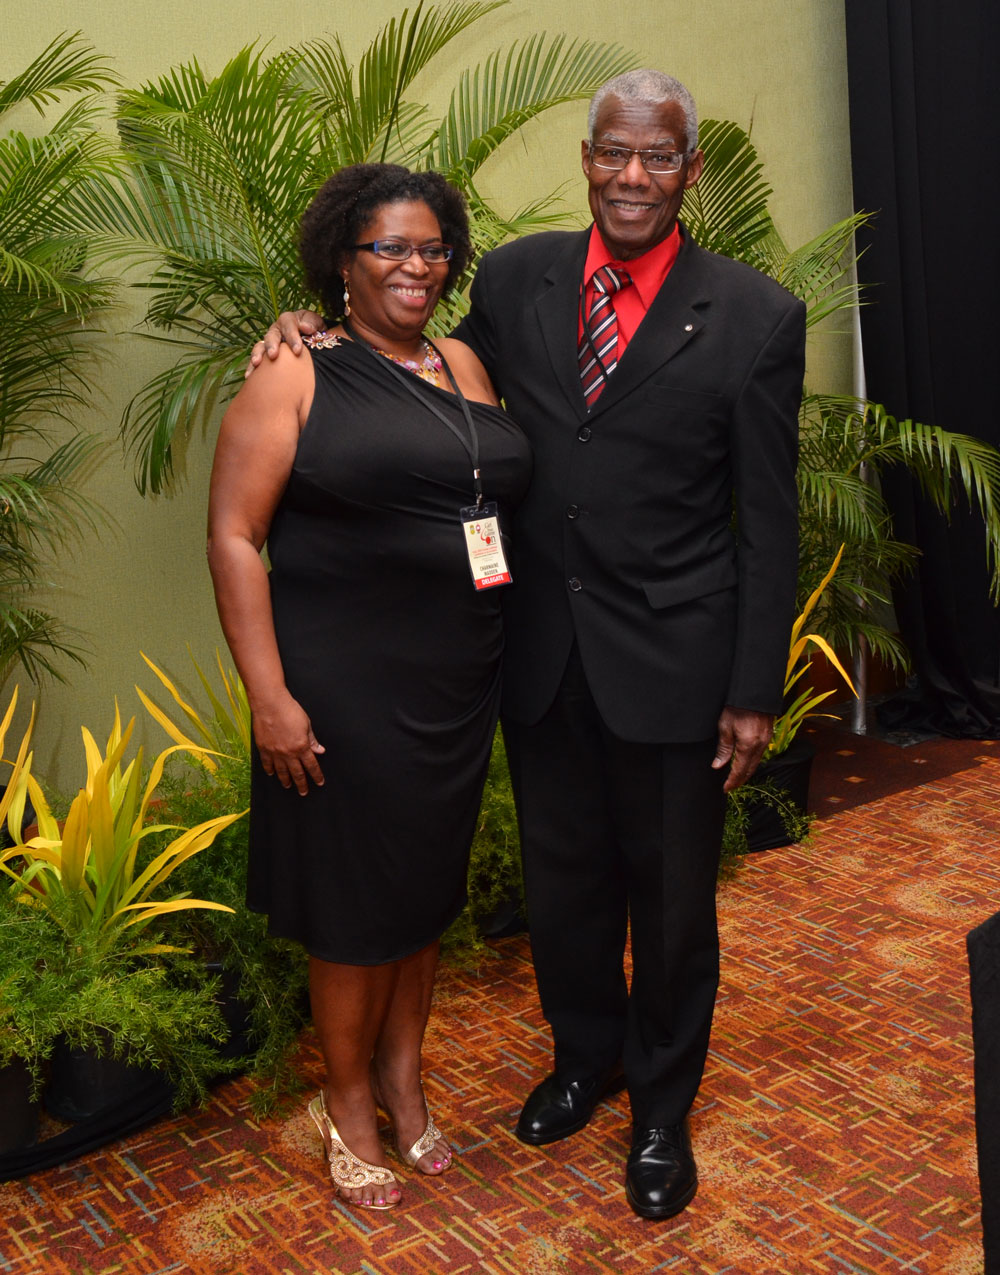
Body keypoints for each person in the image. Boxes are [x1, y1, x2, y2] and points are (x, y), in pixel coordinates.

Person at [252, 68, 805, 1220]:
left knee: (671, 905)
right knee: (564, 890)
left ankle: (661, 1111)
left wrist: (754, 687)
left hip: (675, 663)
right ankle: (584, 1060)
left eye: (657, 156)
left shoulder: (754, 316)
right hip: (537, 654)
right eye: (613, 152)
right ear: (587, 159)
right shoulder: (514, 278)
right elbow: (409, 368)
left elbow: (767, 517)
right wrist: (307, 324)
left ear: (689, 170)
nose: (632, 176)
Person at [208, 163, 531, 1211]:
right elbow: (235, 534)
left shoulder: (462, 361)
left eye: (433, 248)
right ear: (342, 262)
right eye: (389, 247)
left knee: (421, 892)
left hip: (456, 680)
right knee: (354, 906)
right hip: (342, 685)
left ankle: (402, 1075)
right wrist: (270, 697)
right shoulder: (295, 370)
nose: (415, 266)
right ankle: (346, 1103)